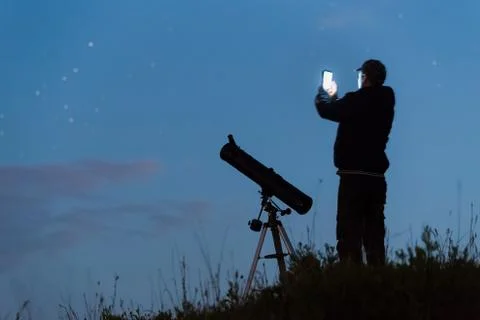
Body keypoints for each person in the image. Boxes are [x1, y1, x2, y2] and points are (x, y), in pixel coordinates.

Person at [314, 59, 395, 266]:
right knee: (374, 234)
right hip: (376, 178)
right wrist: (337, 100)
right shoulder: (387, 98)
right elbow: (353, 109)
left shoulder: (356, 100)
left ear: (365, 76)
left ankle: (352, 282)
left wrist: (324, 97)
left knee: (349, 234)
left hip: (353, 178)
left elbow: (328, 111)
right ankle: (378, 280)